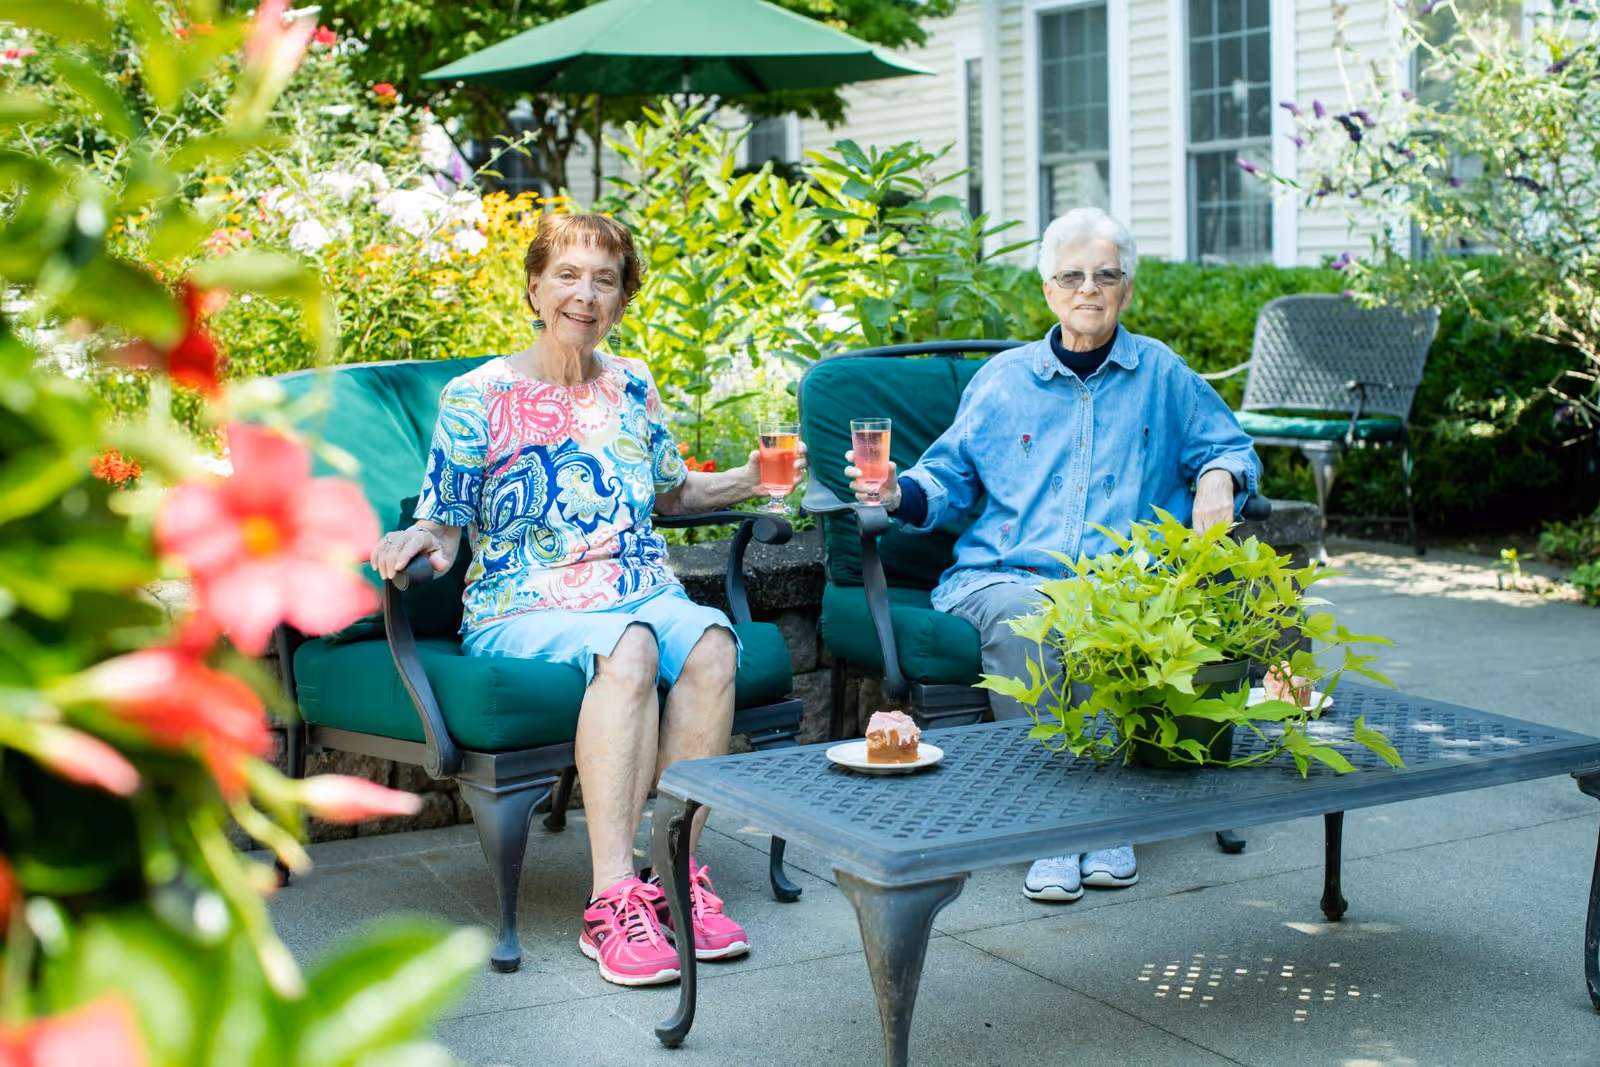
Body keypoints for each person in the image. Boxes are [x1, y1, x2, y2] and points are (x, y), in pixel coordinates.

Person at [371, 214, 806, 987]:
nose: (586, 294)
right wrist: (414, 542)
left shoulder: (633, 382)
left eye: (606, 279)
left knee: (712, 642)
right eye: (568, 275)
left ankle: (674, 874)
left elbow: (672, 493)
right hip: (523, 600)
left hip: (637, 586)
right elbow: (443, 522)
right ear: (535, 287)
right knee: (630, 643)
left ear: (623, 298)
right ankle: (611, 899)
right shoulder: (478, 396)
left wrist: (750, 478)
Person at [844, 206, 1260, 903]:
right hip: (1004, 576)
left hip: (1119, 581)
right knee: (1034, 613)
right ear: (1048, 290)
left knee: (1100, 611)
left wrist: (1219, 476)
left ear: (1127, 289)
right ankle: (1056, 824)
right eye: (1072, 276)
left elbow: (1230, 446)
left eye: (1105, 276)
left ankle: (1099, 820)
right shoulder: (1003, 380)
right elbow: (946, 479)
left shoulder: (1164, 375)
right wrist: (894, 491)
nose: (1088, 289)